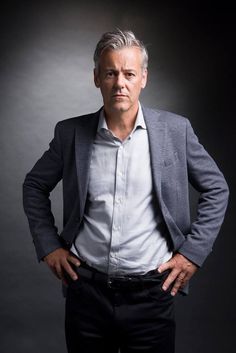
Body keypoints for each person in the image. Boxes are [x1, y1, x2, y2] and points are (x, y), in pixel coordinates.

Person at [23, 29, 229, 353]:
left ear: (143, 78)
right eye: (111, 73)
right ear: (97, 78)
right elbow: (34, 185)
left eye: (129, 73)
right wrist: (49, 246)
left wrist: (192, 254)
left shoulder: (176, 131)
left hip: (152, 296)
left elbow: (217, 187)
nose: (120, 83)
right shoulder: (70, 134)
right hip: (86, 294)